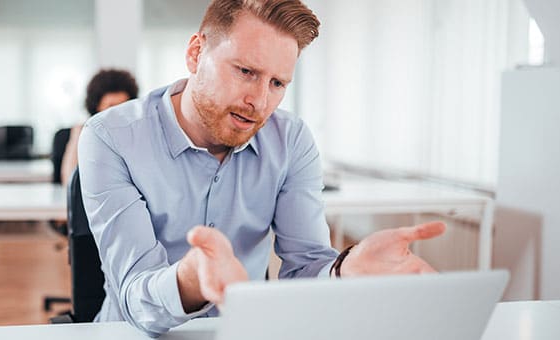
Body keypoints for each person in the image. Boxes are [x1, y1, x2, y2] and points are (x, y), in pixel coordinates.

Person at [78, 0, 446, 337]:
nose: (259, 101)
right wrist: (191, 279)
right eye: (245, 71)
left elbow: (305, 267)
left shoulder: (291, 141)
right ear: (195, 53)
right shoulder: (111, 137)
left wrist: (342, 271)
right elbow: (134, 296)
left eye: (277, 83)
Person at [60, 69, 139, 184]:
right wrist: (77, 136)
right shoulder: (80, 134)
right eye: (111, 106)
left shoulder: (134, 136)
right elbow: (69, 183)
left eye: (123, 106)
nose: (116, 113)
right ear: (97, 107)